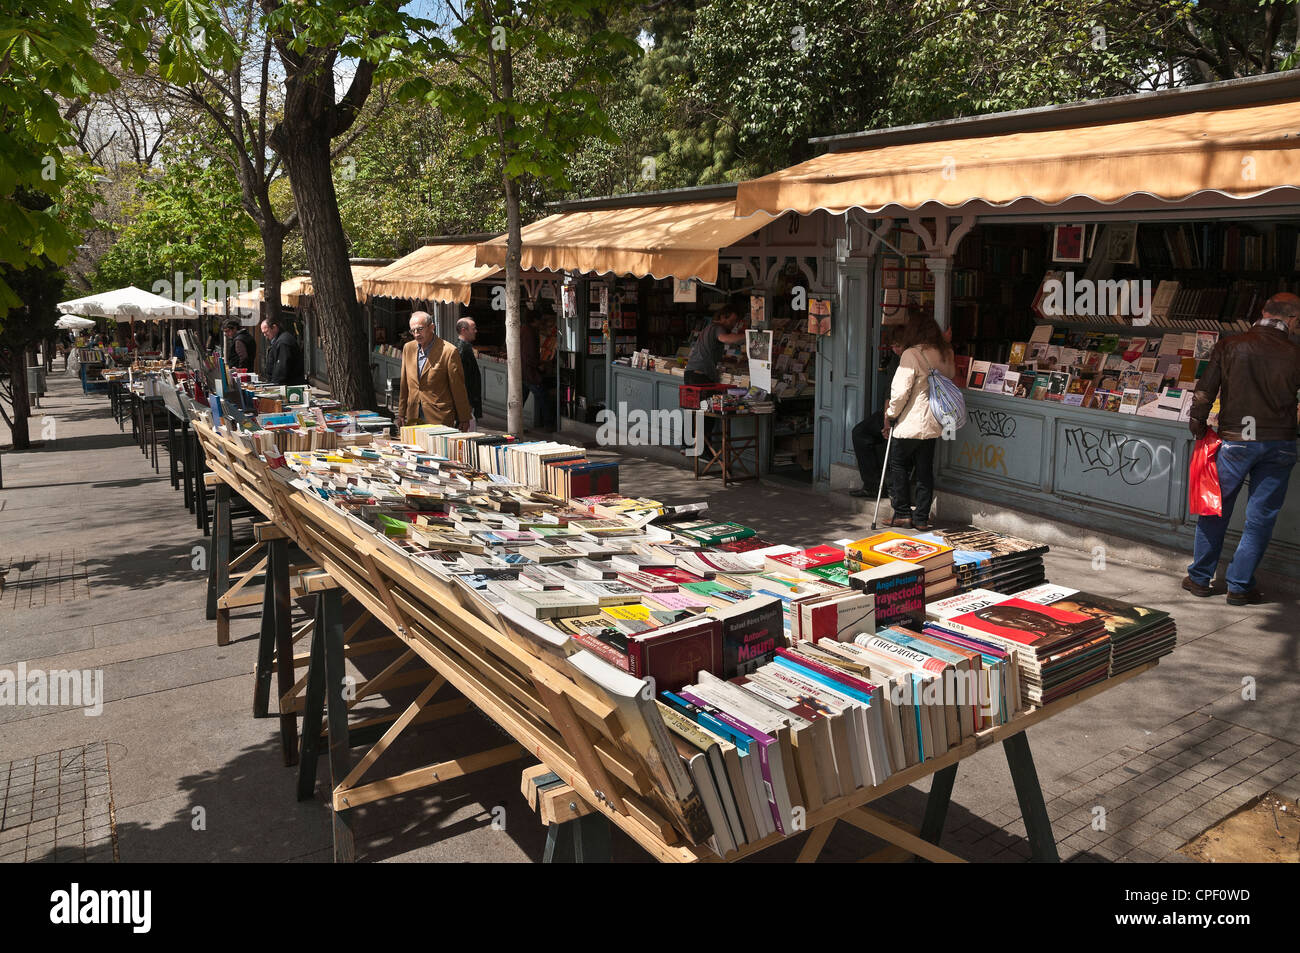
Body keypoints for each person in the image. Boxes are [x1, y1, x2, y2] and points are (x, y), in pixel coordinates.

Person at [1184, 292, 1300, 606]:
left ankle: (1199, 578)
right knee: (1261, 517)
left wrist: (1197, 421)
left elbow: (1205, 389)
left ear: (1262, 311)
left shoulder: (1230, 345)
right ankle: (1239, 585)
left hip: (1235, 440)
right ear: (1292, 320)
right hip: (1281, 443)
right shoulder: (1295, 352)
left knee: (1215, 509)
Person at [882, 312, 957, 531]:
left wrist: (891, 413)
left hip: (911, 421)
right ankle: (922, 517)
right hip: (935, 420)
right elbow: (951, 376)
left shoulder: (911, 354)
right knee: (925, 469)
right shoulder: (945, 352)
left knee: (898, 465)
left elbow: (900, 390)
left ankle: (903, 513)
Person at [683, 305, 748, 449]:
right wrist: (750, 336)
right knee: (707, 415)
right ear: (723, 317)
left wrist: (730, 360)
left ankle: (687, 446)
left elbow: (712, 353)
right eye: (732, 321)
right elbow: (726, 338)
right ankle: (703, 449)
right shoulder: (718, 328)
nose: (733, 324)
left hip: (692, 373)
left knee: (694, 411)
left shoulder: (708, 329)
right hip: (701, 376)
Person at [397, 310, 474, 430]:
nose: (417, 334)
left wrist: (464, 417)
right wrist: (401, 413)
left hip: (439, 416)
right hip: (413, 414)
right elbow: (404, 384)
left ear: (432, 327)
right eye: (413, 330)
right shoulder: (408, 348)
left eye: (420, 329)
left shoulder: (448, 351)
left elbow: (458, 387)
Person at [850, 330, 903, 498]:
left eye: (898, 345)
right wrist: (887, 420)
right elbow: (889, 390)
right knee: (860, 433)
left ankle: (895, 491)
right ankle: (872, 484)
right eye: (892, 346)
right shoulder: (896, 358)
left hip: (906, 415)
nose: (895, 349)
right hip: (891, 411)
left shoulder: (911, 358)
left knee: (898, 446)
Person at [263, 316, 306, 385]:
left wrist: (274, 385)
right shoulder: (279, 340)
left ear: (274, 327)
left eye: (266, 332)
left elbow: (281, 369)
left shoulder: (283, 342)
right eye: (263, 333)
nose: (265, 335)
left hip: (288, 385)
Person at [456, 317, 483, 420]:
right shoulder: (462, 349)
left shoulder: (465, 347)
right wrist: (468, 401)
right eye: (473, 328)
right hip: (467, 400)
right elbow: (464, 378)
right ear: (464, 330)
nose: (476, 331)